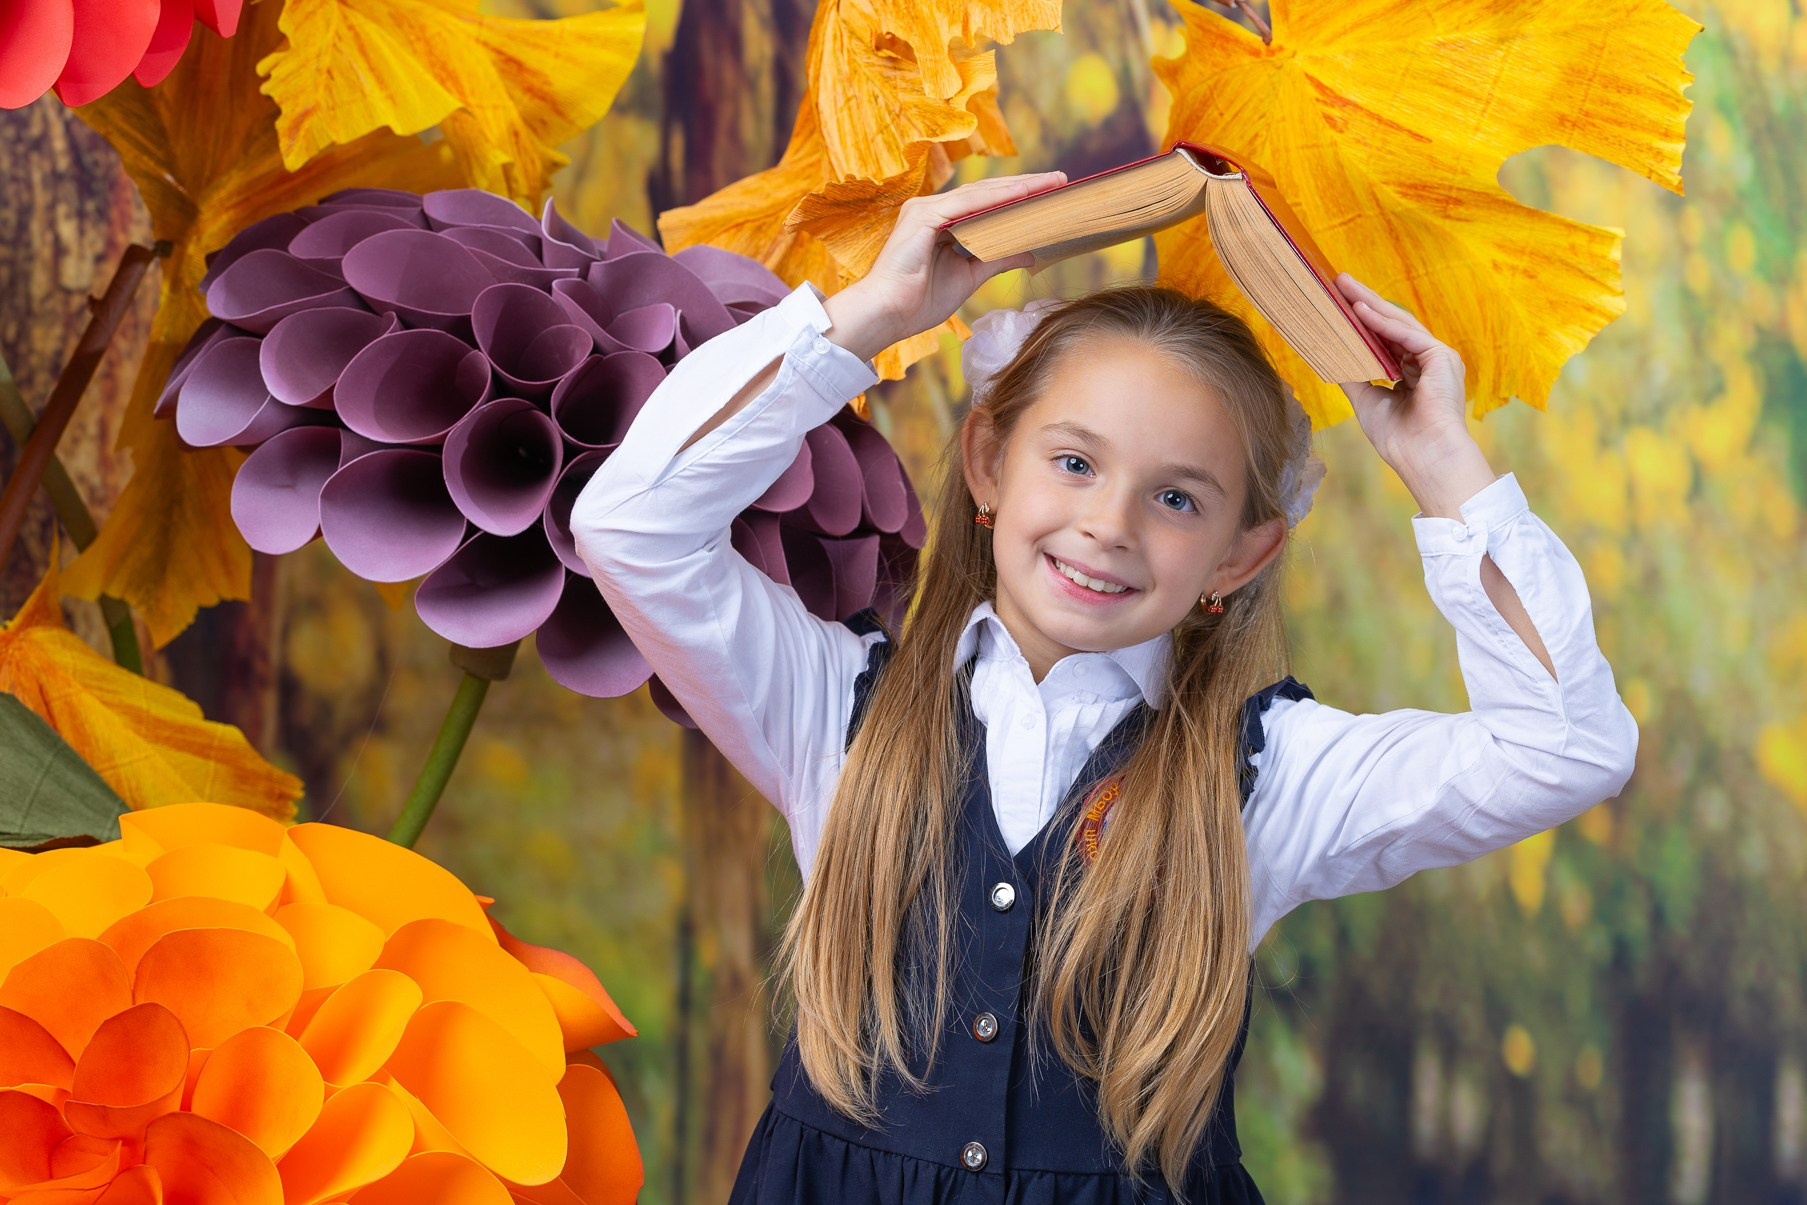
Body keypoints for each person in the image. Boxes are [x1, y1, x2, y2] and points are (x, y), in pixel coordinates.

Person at [571, 171, 1638, 1203]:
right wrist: (869, 315)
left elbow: (1566, 744)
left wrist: (1440, 461)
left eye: (1176, 497)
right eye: (1073, 463)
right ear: (989, 462)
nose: (1109, 524)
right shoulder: (831, 709)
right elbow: (628, 525)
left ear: (1238, 556)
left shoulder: (1273, 775)